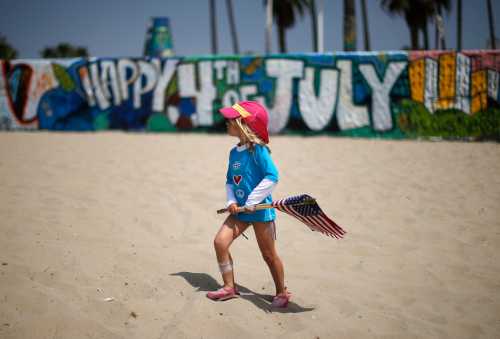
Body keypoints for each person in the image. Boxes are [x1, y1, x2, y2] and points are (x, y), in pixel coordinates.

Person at [206, 101, 291, 308]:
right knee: (220, 242)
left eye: (231, 120)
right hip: (240, 211)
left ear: (243, 123)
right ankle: (229, 287)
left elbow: (273, 176)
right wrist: (232, 201)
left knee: (269, 255)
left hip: (260, 212)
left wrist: (253, 201)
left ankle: (281, 292)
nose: (227, 122)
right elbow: (229, 181)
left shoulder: (259, 150)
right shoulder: (234, 152)